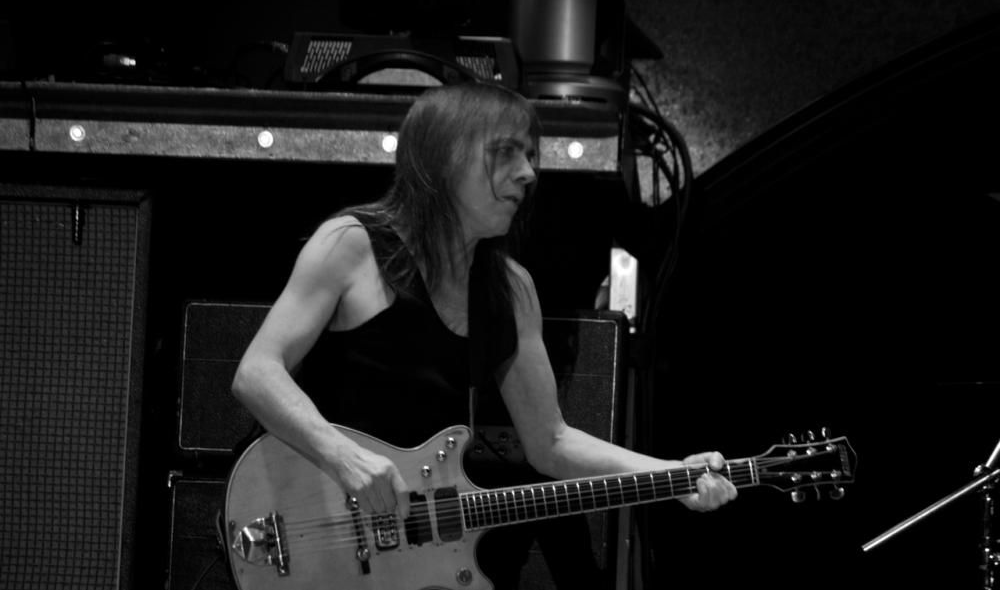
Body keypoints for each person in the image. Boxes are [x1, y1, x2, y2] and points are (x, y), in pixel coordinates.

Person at [230, 80, 737, 588]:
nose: (528, 173)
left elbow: (551, 442)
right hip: (299, 515)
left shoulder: (510, 290)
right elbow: (256, 373)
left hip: (401, 552)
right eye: (506, 153)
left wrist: (672, 475)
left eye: (530, 156)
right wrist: (344, 457)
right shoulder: (352, 245)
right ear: (446, 157)